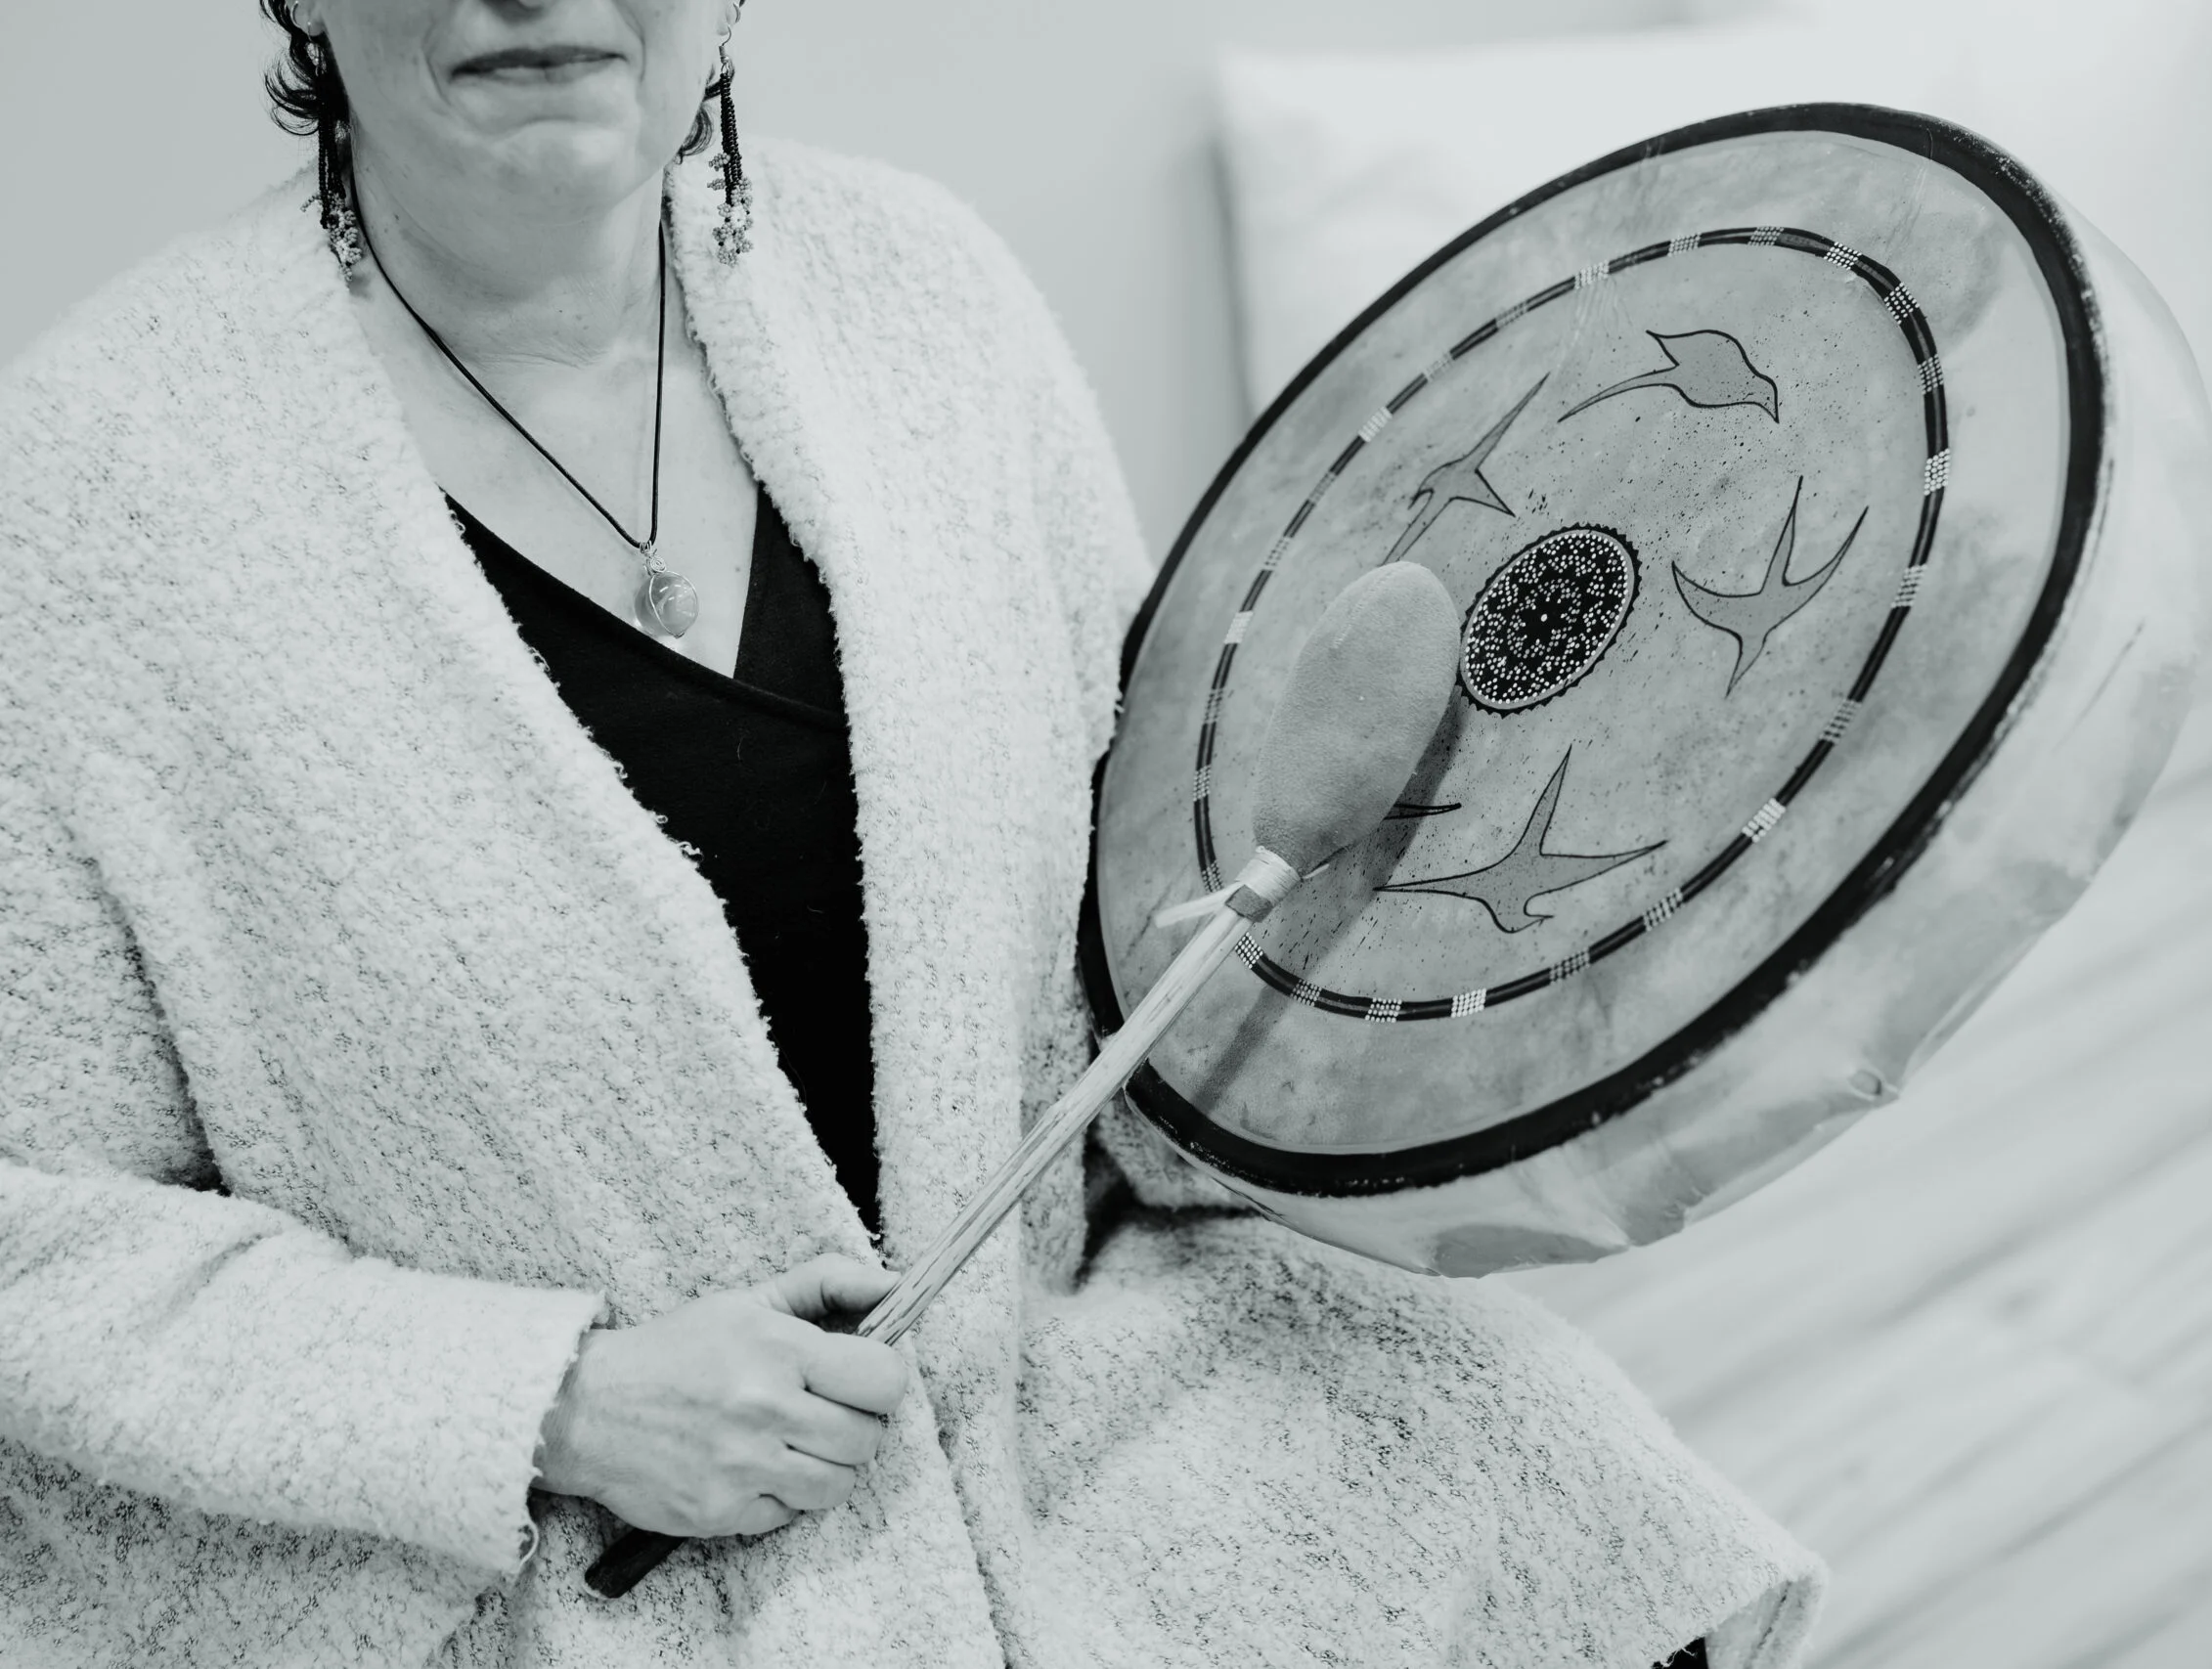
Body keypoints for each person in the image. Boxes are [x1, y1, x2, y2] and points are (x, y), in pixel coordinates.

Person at [0, 2, 1823, 1664]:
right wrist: (556, 1399)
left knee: (1571, 1495)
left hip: (1063, 1390)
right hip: (536, 1561)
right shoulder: (86, 497)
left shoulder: (928, 296)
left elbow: (1142, 915)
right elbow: (36, 1240)